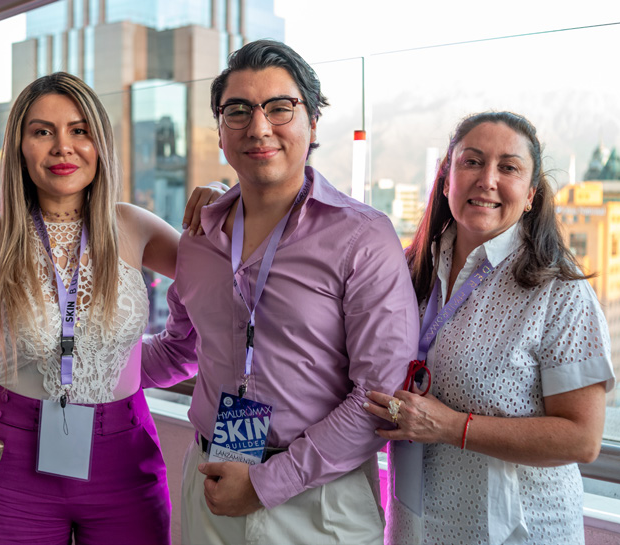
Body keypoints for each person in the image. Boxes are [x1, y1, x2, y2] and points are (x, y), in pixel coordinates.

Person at [0, 72, 218, 544]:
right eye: (42, 131)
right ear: (21, 147)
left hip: (124, 461)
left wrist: (216, 197)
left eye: (79, 130)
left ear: (99, 143)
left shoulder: (132, 225)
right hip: (14, 459)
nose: (62, 147)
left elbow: (219, 274)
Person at [142, 39, 419, 544]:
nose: (259, 126)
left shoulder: (362, 237)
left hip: (317, 503)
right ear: (221, 132)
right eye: (239, 110)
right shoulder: (200, 237)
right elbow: (180, 350)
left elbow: (379, 394)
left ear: (313, 123)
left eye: (280, 108)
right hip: (213, 485)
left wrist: (269, 483)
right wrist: (79, 367)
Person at [363, 111, 616, 544]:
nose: (488, 179)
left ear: (532, 194)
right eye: (472, 162)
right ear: (447, 181)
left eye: (509, 167)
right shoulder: (407, 269)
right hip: (413, 527)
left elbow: (582, 438)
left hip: (512, 533)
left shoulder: (560, 291)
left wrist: (448, 426)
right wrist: (230, 201)